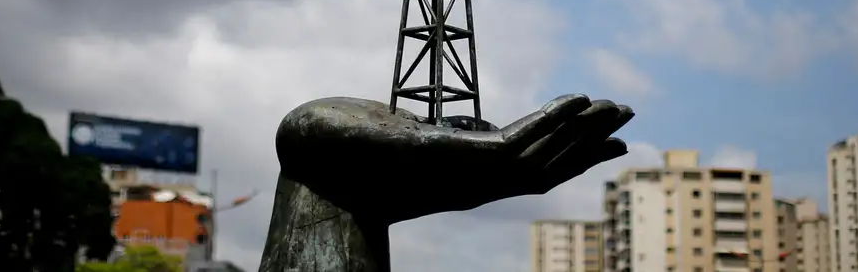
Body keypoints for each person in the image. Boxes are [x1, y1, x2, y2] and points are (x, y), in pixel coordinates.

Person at [257, 94, 634, 272]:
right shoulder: (313, 150)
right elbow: (305, 126)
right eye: (408, 125)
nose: (418, 126)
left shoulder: (358, 197)